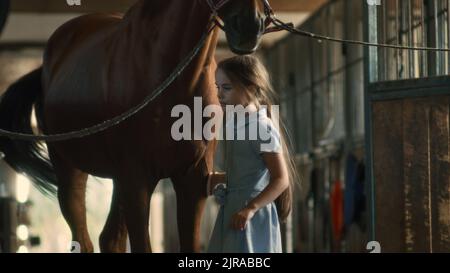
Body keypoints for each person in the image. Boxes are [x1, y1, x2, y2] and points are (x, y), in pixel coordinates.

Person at [206, 55, 299, 253]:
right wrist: (219, 178)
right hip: (232, 212)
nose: (219, 94)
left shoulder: (262, 127)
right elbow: (250, 173)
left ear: (251, 88)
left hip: (251, 217)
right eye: (217, 87)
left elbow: (280, 179)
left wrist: (251, 208)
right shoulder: (233, 125)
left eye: (227, 88)